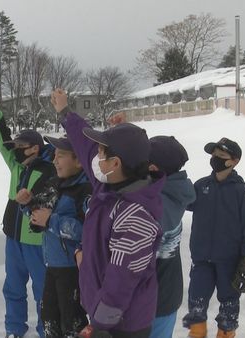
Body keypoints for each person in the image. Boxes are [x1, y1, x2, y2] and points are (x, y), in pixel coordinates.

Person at [52, 88, 164, 338]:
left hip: (123, 324)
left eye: (103, 152)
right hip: (104, 312)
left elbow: (121, 280)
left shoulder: (135, 214)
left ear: (115, 163)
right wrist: (66, 114)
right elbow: (86, 147)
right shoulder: (109, 184)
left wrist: (100, 326)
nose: (96, 156)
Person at [0, 93, 55, 338]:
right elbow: (1, 139)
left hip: (37, 242)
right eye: (15, 147)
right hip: (13, 237)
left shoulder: (51, 170)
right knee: (13, 287)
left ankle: (46, 330)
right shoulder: (17, 165)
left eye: (20, 147)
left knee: (42, 290)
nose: (15, 150)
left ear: (35, 148)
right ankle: (14, 328)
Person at [182, 137, 245, 338]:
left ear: (234, 161)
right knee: (196, 302)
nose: (215, 159)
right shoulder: (201, 186)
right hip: (201, 259)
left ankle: (226, 333)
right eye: (214, 155)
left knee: (229, 303)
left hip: (229, 260)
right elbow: (183, 201)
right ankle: (197, 333)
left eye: (221, 156)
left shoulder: (240, 192)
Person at [25, 136, 91, 338]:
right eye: (54, 155)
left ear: (79, 161)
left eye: (60, 155)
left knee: (71, 322)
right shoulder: (55, 183)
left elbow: (87, 232)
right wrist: (28, 204)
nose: (54, 160)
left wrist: (51, 221)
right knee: (49, 318)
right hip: (52, 264)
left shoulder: (85, 190)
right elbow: (39, 215)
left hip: (72, 269)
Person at [147, 136, 196, 338]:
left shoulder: (158, 204)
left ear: (152, 167)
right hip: (166, 294)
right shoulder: (173, 191)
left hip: (154, 300)